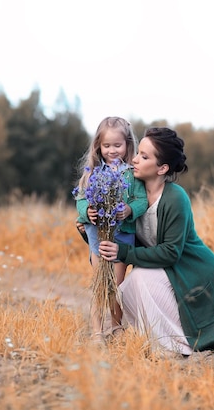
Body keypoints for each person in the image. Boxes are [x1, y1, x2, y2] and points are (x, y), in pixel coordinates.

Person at [98, 127, 214, 355]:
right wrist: (87, 226)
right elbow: (114, 233)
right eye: (138, 153)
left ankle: (176, 346)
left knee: (138, 277)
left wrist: (124, 253)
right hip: (168, 272)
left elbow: (171, 252)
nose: (134, 159)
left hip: (194, 273)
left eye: (144, 156)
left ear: (162, 168)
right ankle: (158, 342)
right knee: (126, 288)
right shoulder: (131, 194)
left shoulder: (175, 197)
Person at [73, 116, 148, 344]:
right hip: (98, 237)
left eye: (118, 145)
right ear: (98, 146)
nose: (112, 150)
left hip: (122, 237)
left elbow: (141, 200)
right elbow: (81, 198)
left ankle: (116, 327)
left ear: (127, 145)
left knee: (116, 285)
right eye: (107, 146)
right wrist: (87, 212)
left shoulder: (132, 174)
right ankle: (97, 332)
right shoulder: (93, 172)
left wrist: (128, 209)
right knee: (99, 284)